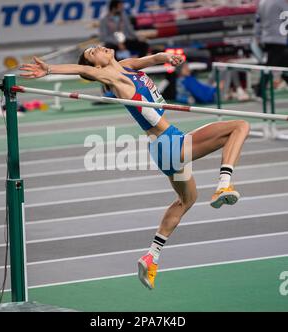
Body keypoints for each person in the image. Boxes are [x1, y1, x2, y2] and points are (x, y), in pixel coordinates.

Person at [20, 46, 250, 290]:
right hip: (169, 142)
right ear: (96, 65)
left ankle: (152, 256)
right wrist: (49, 69)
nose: (98, 48)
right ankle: (224, 185)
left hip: (161, 147)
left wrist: (166, 57)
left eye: (95, 46)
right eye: (92, 52)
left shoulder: (126, 66)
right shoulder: (111, 76)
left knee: (187, 200)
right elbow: (80, 69)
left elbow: (149, 59)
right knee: (240, 126)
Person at [255, 0, 288, 85]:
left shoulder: (262, 2)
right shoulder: (280, 2)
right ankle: (259, 91)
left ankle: (259, 91)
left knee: (283, 64)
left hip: (266, 39)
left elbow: (258, 21)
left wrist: (257, 35)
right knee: (271, 66)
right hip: (278, 39)